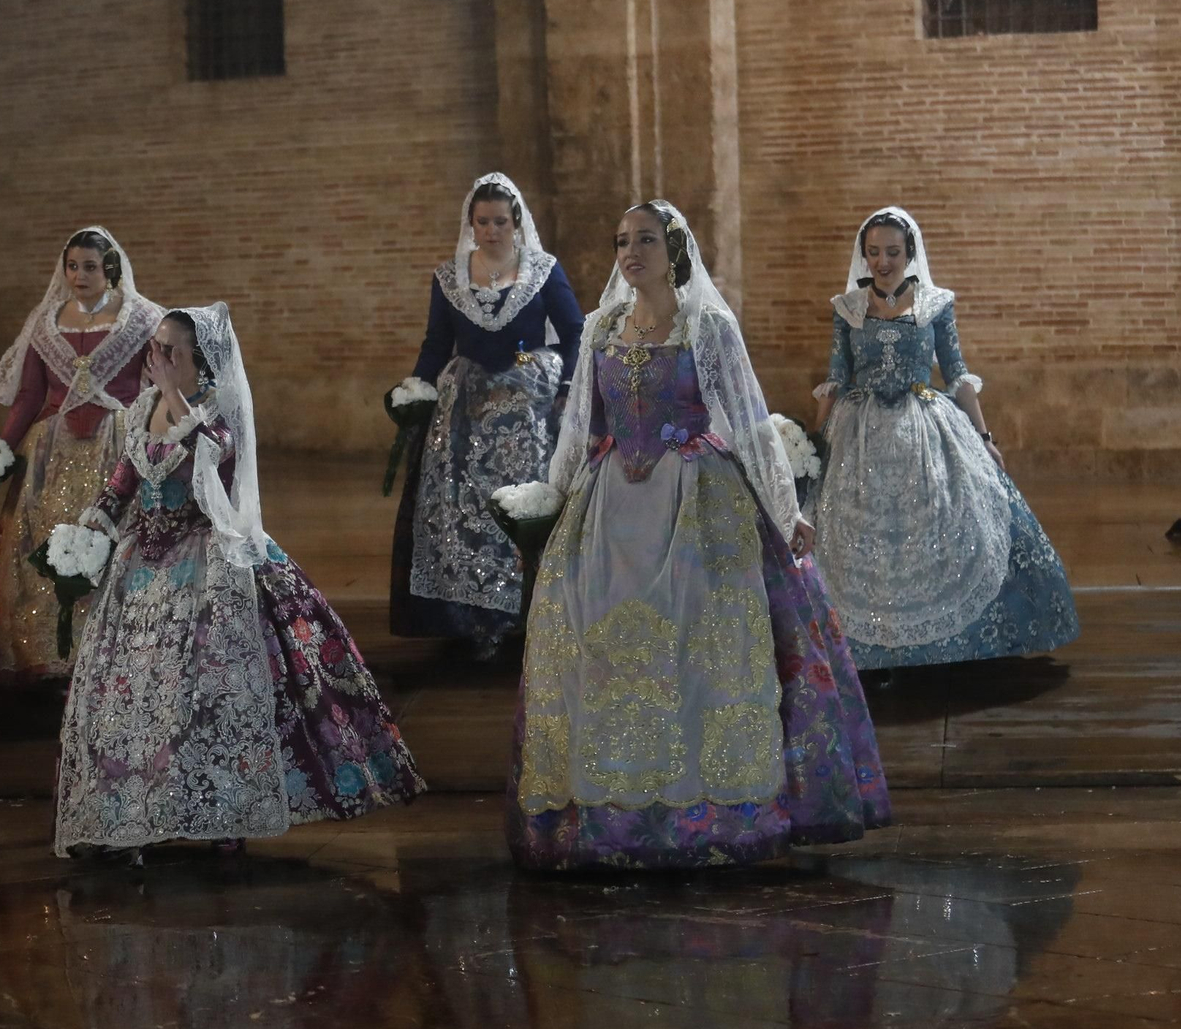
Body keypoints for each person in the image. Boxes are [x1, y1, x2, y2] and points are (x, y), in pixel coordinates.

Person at [508, 202, 890, 870]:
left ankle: (712, 815)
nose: (632, 252)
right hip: (608, 510)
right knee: (604, 649)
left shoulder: (708, 325)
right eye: (623, 241)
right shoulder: (600, 328)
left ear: (674, 247)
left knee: (701, 647)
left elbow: (747, 423)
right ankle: (610, 814)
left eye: (646, 240)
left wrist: (782, 509)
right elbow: (576, 428)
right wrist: (549, 501)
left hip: (694, 497)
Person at [55, 304, 424, 862]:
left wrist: (177, 394)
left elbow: (213, 468)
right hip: (140, 569)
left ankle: (220, 805)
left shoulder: (215, 414)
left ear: (197, 361)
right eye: (154, 349)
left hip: (204, 559)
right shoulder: (140, 412)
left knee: (208, 689)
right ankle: (128, 811)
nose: (156, 359)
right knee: (133, 693)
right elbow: (121, 485)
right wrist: (87, 535)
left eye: (170, 351)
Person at [809, 207, 1078, 671]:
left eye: (892, 252)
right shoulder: (847, 308)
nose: (883, 262)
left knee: (958, 520)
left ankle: (950, 646)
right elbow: (836, 377)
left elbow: (957, 375)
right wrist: (815, 447)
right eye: (873, 253)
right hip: (860, 431)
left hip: (925, 423)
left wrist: (984, 436)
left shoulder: (935, 304)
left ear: (909, 253)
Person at [394, 172, 584, 656]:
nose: (492, 230)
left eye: (501, 221)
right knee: (461, 504)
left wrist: (566, 386)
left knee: (530, 497)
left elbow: (574, 331)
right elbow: (436, 343)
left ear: (516, 222)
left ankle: (533, 613)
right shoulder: (450, 277)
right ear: (471, 223)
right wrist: (416, 390)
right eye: (483, 222)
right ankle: (472, 616)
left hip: (530, 406)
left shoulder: (542, 269)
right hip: (467, 409)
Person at [0, 227, 163, 683]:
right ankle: (46, 654)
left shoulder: (142, 319)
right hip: (51, 453)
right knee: (44, 546)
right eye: (72, 266)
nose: (79, 276)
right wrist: (0, 451)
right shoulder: (46, 320)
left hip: (118, 447)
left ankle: (117, 656)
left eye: (90, 267)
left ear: (111, 270)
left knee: (117, 546)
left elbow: (161, 387)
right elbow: (28, 395)